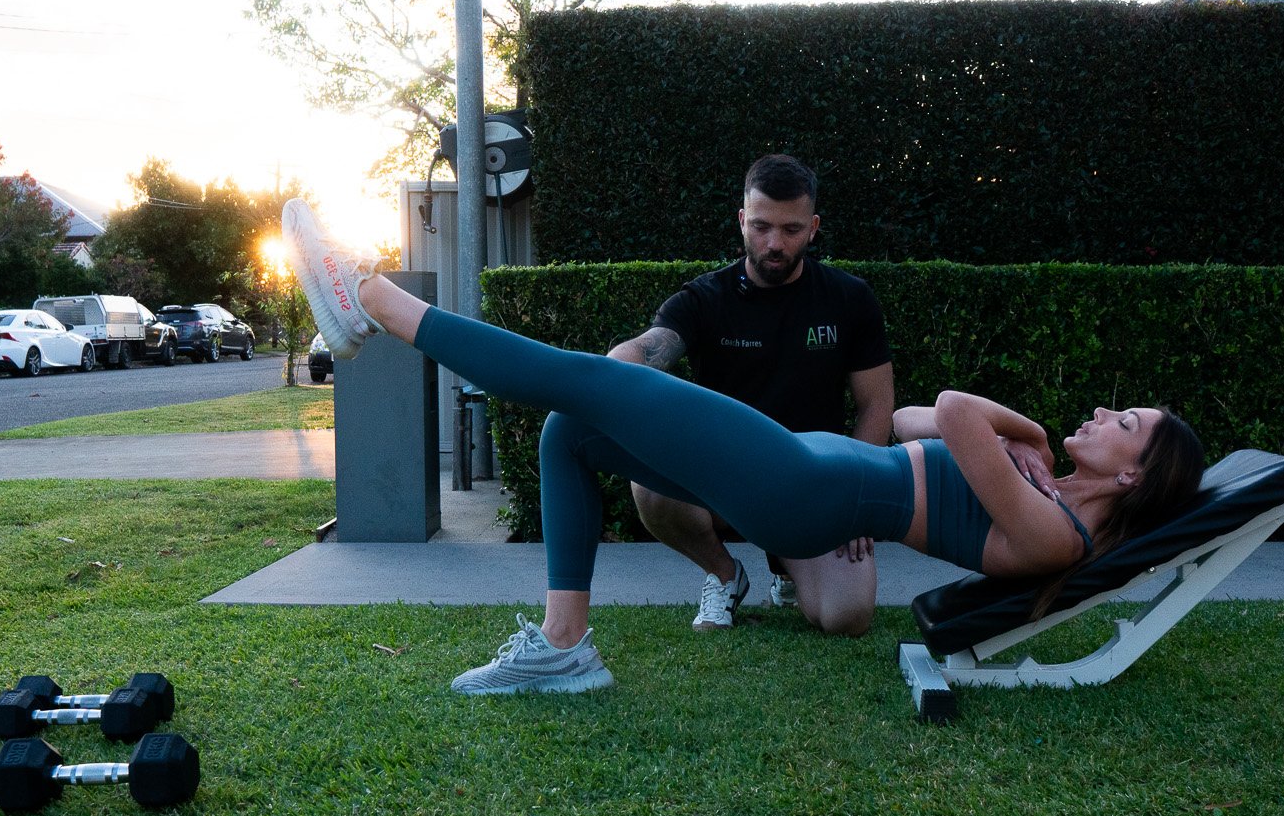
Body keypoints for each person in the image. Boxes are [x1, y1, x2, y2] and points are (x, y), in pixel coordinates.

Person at [282, 200, 1205, 696]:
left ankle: (368, 297)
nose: (1100, 414)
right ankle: (566, 645)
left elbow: (958, 408)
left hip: (803, 491)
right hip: (802, 471)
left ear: (1132, 473)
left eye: (1122, 423)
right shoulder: (1039, 495)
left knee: (588, 382)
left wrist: (1029, 435)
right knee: (574, 427)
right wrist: (1018, 448)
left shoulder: (1058, 538)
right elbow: (921, 418)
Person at [609, 155, 894, 636]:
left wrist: (858, 497)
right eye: (761, 226)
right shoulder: (704, 298)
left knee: (847, 618)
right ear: (742, 220)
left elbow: (875, 404)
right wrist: (608, 371)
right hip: (725, 478)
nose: (774, 243)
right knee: (648, 476)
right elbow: (649, 347)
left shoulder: (849, 298)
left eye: (791, 229)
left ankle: (788, 570)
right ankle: (724, 575)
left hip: (810, 478)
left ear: (814, 227)